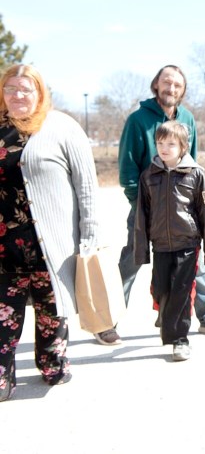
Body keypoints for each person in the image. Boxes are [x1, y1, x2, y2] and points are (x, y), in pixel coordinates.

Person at [94, 64, 205, 345]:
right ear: (156, 85)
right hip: (147, 206)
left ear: (182, 90)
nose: (171, 88)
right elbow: (127, 169)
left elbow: (191, 163)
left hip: (182, 208)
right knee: (133, 259)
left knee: (193, 260)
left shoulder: (188, 119)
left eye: (177, 85)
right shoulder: (138, 120)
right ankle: (106, 321)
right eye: (166, 82)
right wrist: (142, 204)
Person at [0, 64, 100, 399]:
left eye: (25, 88)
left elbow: (86, 186)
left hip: (51, 243)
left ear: (40, 92)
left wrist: (90, 235)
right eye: (10, 88)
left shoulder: (62, 127)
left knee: (51, 309)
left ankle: (53, 363)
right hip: (4, 245)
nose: (17, 95)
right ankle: (2, 377)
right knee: (3, 314)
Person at [133, 122, 205, 362]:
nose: (164, 148)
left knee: (181, 293)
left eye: (171, 143)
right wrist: (141, 251)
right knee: (160, 288)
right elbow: (142, 215)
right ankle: (164, 311)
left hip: (188, 245)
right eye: (160, 143)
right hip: (160, 245)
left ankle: (180, 340)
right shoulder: (148, 175)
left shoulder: (196, 174)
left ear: (183, 147)